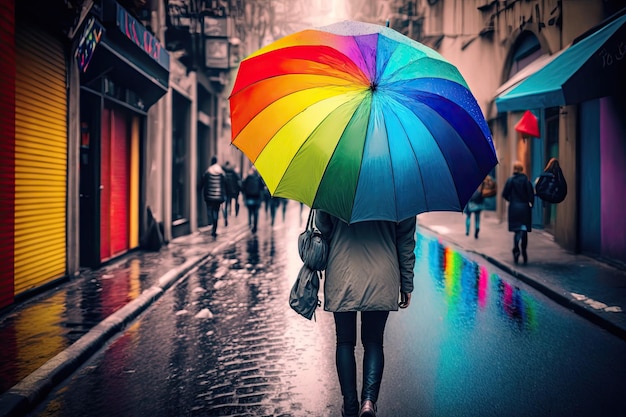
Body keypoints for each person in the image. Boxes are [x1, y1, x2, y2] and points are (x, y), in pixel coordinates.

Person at [315, 210, 417, 417]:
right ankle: (368, 403)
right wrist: (406, 283)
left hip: (342, 272)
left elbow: (323, 228)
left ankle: (350, 405)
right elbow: (405, 241)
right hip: (382, 275)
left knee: (344, 342)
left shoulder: (336, 182)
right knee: (373, 342)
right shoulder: (399, 187)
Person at [502, 161, 535, 264]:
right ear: (522, 169)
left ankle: (516, 249)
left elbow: (504, 194)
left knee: (517, 231)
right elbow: (531, 195)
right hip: (524, 208)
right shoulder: (526, 180)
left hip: (514, 208)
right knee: (524, 230)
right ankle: (524, 250)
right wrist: (531, 204)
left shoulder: (510, 180)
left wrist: (511, 200)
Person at [201, 156, 226, 237]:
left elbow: (203, 181)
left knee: (209, 210)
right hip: (218, 196)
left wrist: (199, 188)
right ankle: (214, 229)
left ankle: (210, 222)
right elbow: (225, 183)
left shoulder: (208, 171)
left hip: (209, 196)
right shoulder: (221, 172)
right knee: (216, 212)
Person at [242, 167, 264, 233]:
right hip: (256, 198)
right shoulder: (258, 178)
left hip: (249, 197)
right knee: (255, 212)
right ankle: (255, 226)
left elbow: (243, 186)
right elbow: (262, 188)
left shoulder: (248, 177)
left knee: (250, 211)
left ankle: (250, 223)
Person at [222, 161, 242, 225]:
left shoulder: (223, 172)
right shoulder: (233, 172)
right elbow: (239, 180)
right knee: (235, 202)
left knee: (226, 204)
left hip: (226, 191)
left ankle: (225, 217)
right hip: (234, 191)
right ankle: (236, 212)